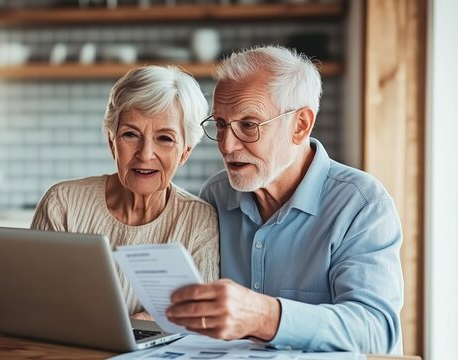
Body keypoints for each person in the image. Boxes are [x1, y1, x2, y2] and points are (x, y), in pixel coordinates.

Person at [166, 46, 404, 354]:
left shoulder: (362, 205)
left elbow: (376, 331)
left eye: (248, 125)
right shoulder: (216, 194)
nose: (226, 145)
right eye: (221, 125)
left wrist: (264, 316)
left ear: (300, 125)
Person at [0, 65, 219, 335]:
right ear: (112, 141)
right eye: (130, 134)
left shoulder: (199, 221)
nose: (145, 153)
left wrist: (148, 321)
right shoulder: (63, 203)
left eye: (164, 138)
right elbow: (32, 302)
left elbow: (203, 324)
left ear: (185, 152)